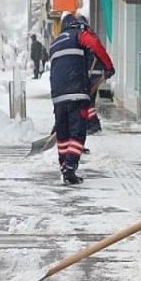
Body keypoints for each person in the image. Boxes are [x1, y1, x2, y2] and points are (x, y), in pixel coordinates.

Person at [49, 12, 115, 184]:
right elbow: (95, 44)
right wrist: (108, 66)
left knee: (63, 134)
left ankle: (64, 165)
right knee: (78, 133)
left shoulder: (55, 43)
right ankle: (70, 168)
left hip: (58, 96)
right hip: (76, 92)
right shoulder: (79, 34)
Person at [77, 15, 111, 135]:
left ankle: (93, 124)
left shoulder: (85, 36)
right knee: (88, 100)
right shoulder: (91, 35)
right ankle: (90, 124)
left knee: (87, 101)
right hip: (94, 73)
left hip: (90, 74)